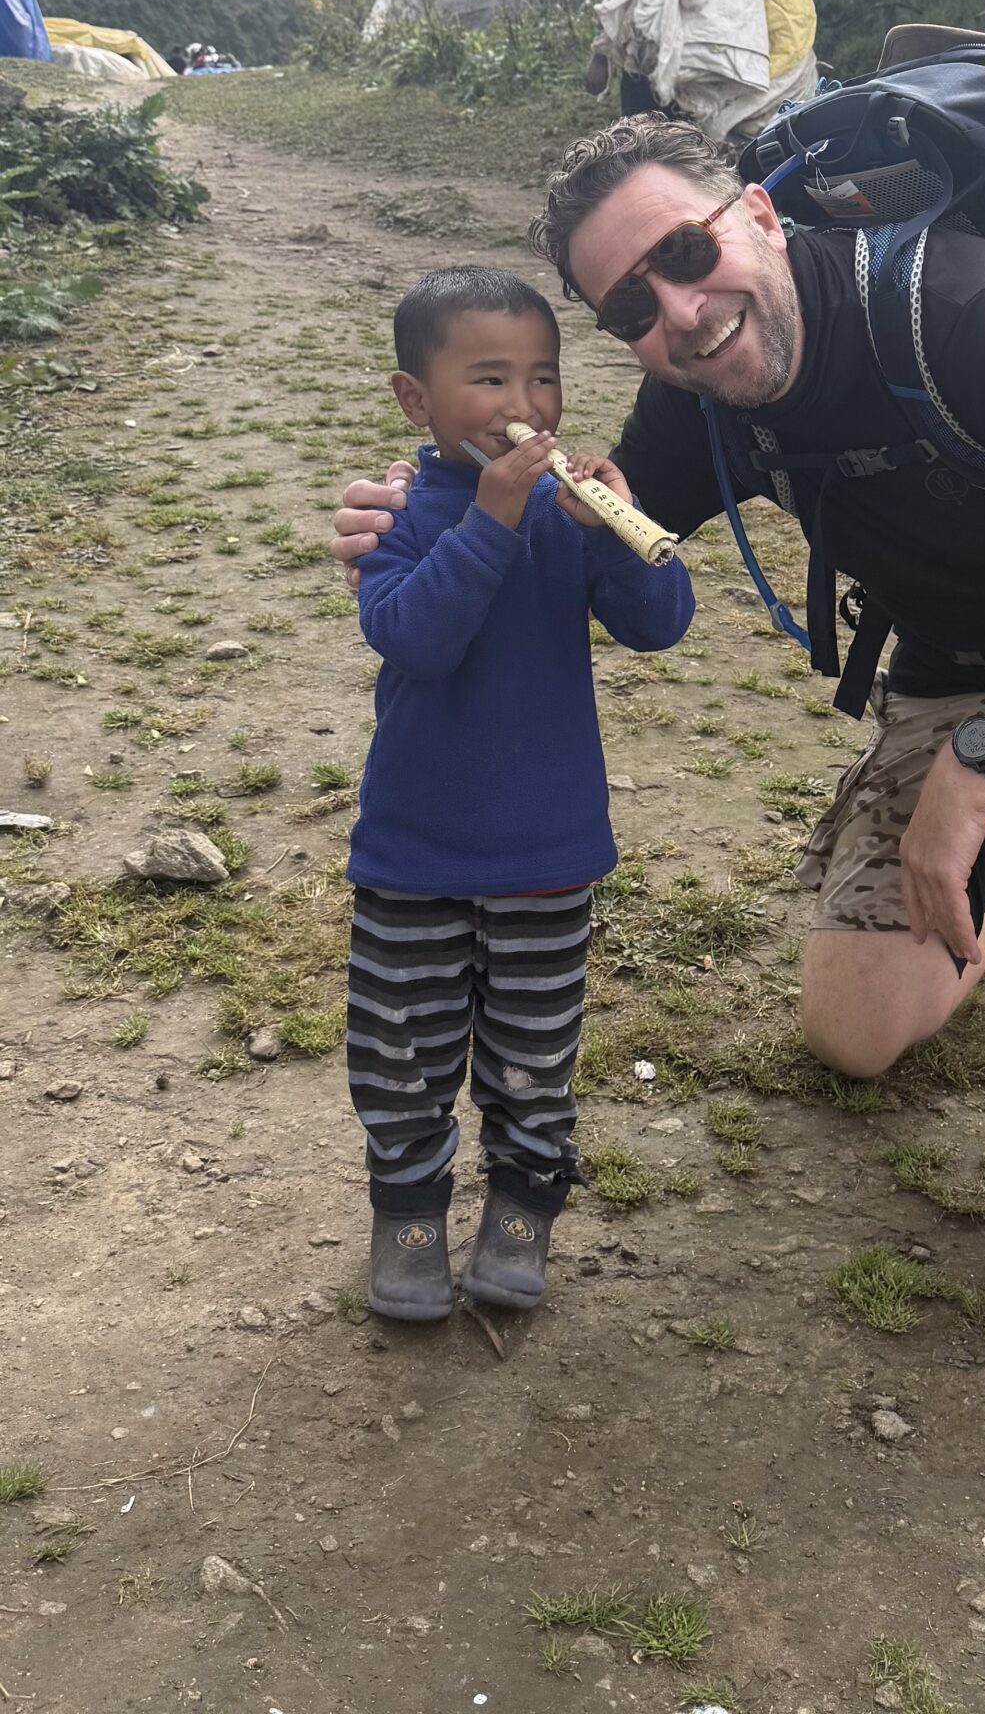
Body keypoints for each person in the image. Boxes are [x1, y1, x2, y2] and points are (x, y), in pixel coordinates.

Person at [331, 112, 985, 1428]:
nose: (679, 311)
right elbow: (600, 514)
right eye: (631, 301)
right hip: (965, 679)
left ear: (754, 209)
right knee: (856, 1035)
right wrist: (429, 504)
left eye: (686, 253)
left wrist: (981, 761)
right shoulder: (699, 390)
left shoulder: (971, 312)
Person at [345, 263, 693, 1324]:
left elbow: (659, 621)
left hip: (547, 853)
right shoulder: (404, 516)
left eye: (542, 379)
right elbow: (414, 636)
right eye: (489, 380)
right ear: (419, 398)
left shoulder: (570, 508)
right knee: (400, 1050)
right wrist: (489, 520)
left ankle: (523, 1202)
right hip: (413, 852)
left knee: (535, 1052)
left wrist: (619, 538)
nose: (523, 407)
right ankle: (406, 1211)